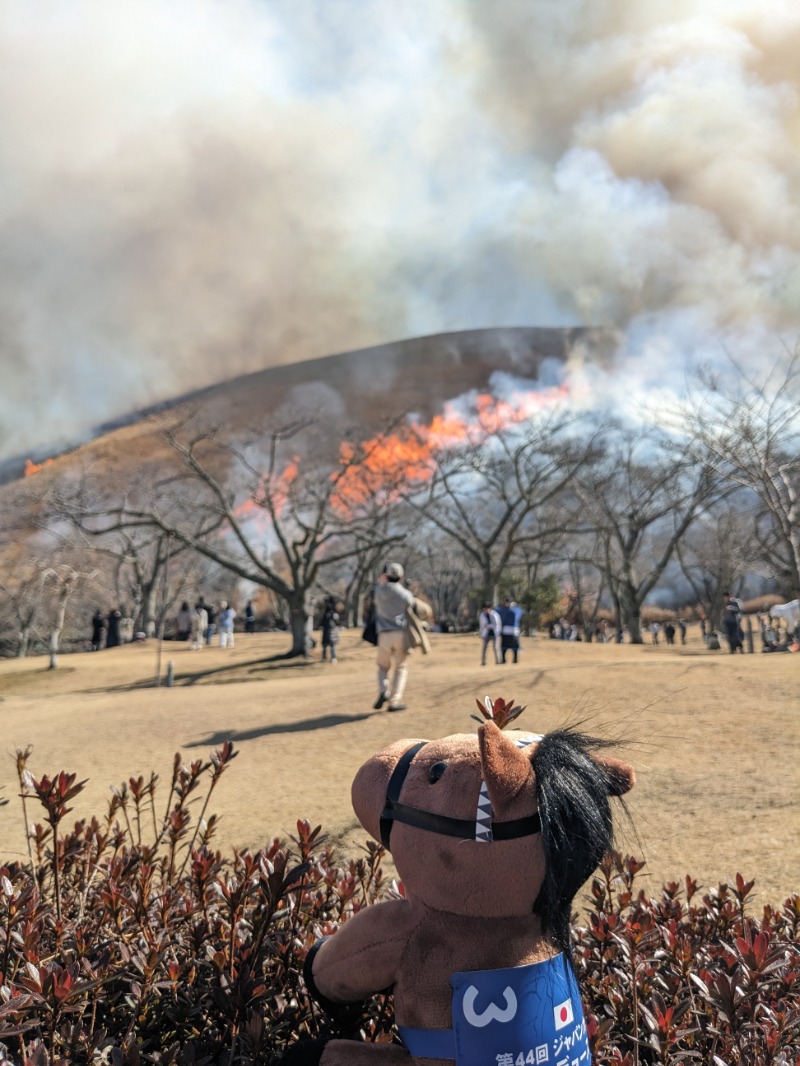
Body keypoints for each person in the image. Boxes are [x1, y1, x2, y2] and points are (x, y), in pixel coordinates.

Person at [373, 562, 431, 712]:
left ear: (386, 575)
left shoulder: (378, 591)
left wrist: (382, 582)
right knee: (400, 667)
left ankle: (383, 691)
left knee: (382, 667)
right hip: (400, 633)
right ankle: (394, 702)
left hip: (383, 634)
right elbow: (414, 606)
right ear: (401, 576)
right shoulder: (404, 593)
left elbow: (378, 591)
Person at [496, 598, 521, 663]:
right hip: (505, 630)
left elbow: (518, 615)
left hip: (514, 630)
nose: (508, 604)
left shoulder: (516, 610)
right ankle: (503, 660)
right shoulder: (502, 610)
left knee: (514, 646)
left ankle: (515, 659)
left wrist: (514, 607)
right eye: (506, 602)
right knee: (504, 646)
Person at [320, 596, 340, 663]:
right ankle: (324, 658)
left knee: (332, 645)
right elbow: (323, 621)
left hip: (332, 631)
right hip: (326, 630)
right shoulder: (326, 612)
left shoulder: (333, 612)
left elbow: (337, 621)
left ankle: (333, 657)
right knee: (325, 645)